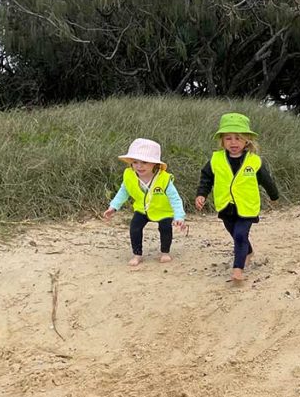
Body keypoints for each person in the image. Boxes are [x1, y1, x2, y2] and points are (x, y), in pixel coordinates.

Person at [194, 113, 280, 282]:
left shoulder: (254, 161)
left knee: (240, 235)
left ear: (247, 140)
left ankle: (237, 269)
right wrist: (201, 194)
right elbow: (206, 178)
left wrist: (274, 196)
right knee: (234, 233)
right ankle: (248, 252)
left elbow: (266, 180)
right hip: (225, 205)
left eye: (238, 138)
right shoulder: (215, 159)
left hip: (247, 206)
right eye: (228, 138)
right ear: (222, 141)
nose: (233, 143)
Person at [103, 138, 186, 267]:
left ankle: (165, 252)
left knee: (165, 228)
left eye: (144, 162)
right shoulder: (129, 175)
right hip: (142, 209)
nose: (139, 166)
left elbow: (175, 198)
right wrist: (113, 207)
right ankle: (137, 254)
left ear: (155, 164)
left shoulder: (164, 179)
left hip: (163, 210)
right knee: (135, 227)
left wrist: (179, 216)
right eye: (135, 162)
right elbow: (123, 192)